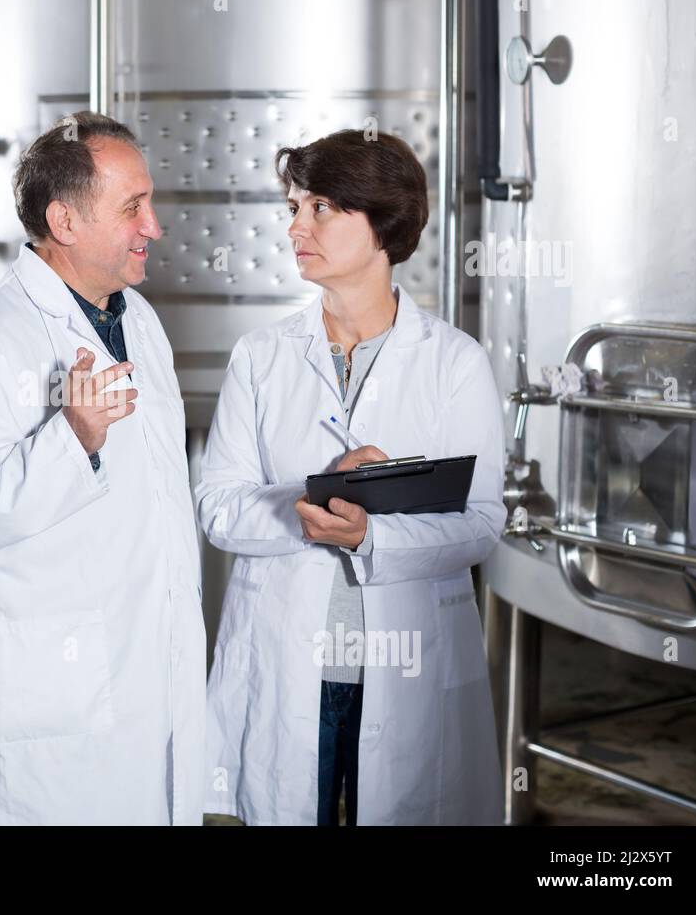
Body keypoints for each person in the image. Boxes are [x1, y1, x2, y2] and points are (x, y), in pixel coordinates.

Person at [197, 129, 505, 825]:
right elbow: (218, 508)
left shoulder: (453, 362)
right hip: (289, 661)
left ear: (383, 224)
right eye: (295, 205)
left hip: (401, 666)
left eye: (322, 207)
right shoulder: (260, 357)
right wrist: (315, 500)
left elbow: (482, 522)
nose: (296, 225)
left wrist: (371, 537)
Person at [0, 112, 206, 825]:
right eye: (133, 207)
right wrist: (69, 439)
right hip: (50, 705)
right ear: (65, 221)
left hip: (146, 679)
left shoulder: (137, 320)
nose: (155, 227)